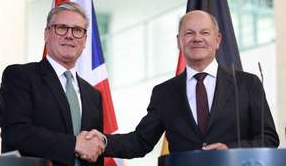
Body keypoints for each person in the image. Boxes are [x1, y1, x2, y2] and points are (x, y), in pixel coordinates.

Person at [87, 10, 279, 158]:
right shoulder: (164, 93)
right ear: (179, 41)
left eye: (205, 32)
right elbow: (141, 141)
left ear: (217, 40)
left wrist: (230, 150)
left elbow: (269, 139)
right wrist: (102, 141)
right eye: (189, 33)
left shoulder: (248, 83)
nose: (197, 38)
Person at [0, 1, 105, 166]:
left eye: (77, 30)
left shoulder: (93, 95)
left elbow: (94, 152)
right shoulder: (19, 76)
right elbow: (16, 132)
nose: (69, 35)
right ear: (46, 34)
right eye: (61, 27)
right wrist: (74, 144)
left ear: (84, 40)